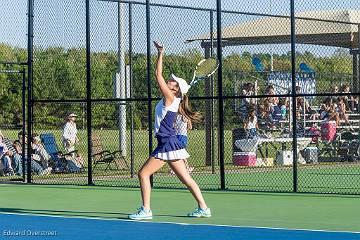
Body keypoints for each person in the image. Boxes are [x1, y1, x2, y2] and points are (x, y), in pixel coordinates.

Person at [128, 41, 211, 220]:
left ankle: (146, 210)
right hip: (169, 142)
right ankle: (203, 207)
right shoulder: (175, 100)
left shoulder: (170, 97)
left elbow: (157, 74)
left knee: (143, 173)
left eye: (173, 81)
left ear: (175, 89)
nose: (169, 79)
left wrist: (160, 53)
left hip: (166, 143)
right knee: (186, 179)